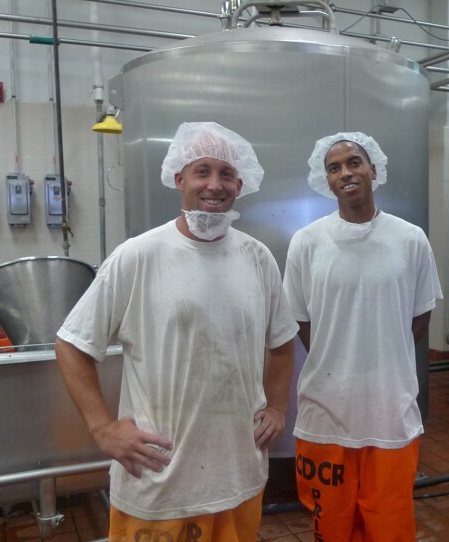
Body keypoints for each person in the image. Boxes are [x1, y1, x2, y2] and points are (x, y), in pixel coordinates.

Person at [55, 122, 298, 542]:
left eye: (225, 174)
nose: (214, 184)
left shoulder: (257, 258)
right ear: (178, 178)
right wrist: (102, 428)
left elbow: (280, 342)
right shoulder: (139, 256)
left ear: (239, 184)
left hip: (239, 475)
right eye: (202, 171)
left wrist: (277, 407)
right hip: (159, 482)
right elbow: (73, 344)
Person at [283, 132, 443, 541]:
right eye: (334, 167)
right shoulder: (307, 243)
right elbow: (301, 320)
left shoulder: (410, 240)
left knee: (389, 525)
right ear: (327, 180)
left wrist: (380, 355)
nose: (345, 173)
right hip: (326, 414)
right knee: (331, 526)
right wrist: (337, 361)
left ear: (374, 170)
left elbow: (419, 319)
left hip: (390, 412)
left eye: (354, 162)